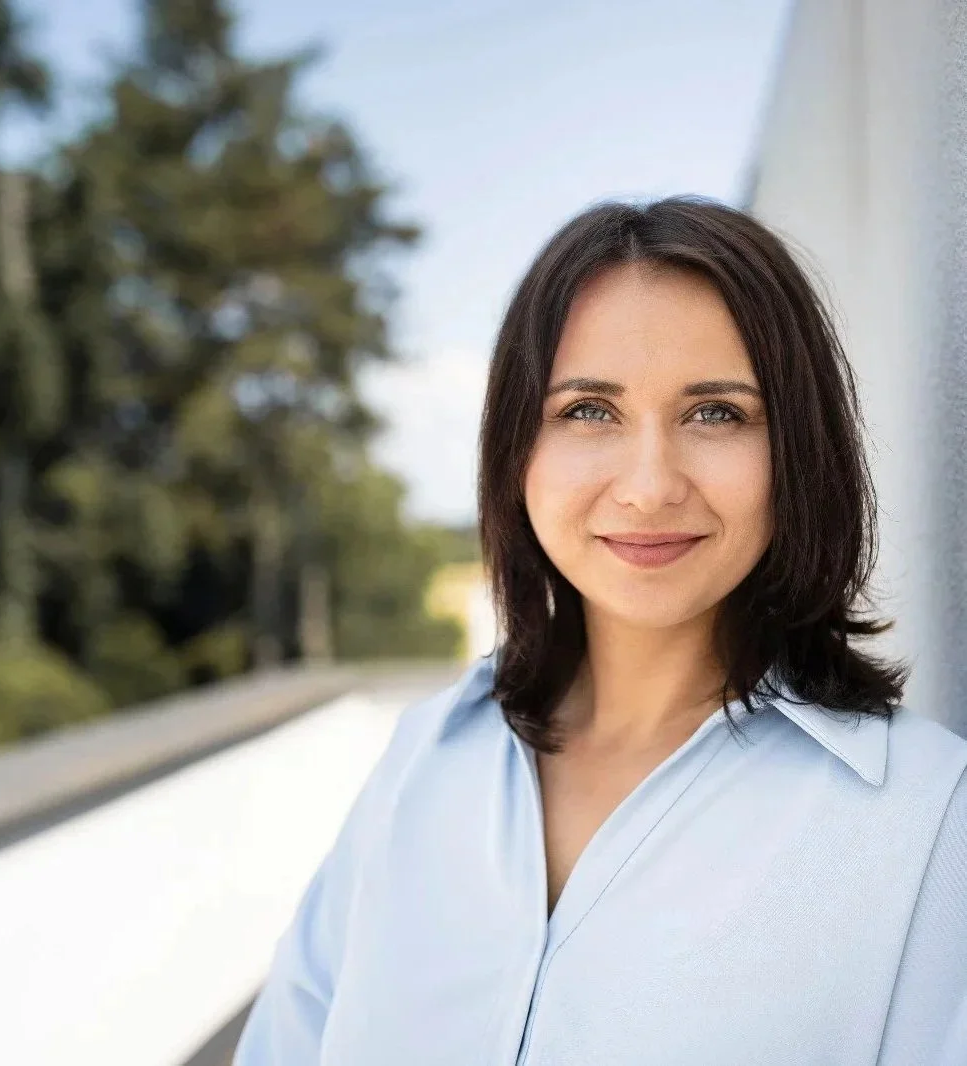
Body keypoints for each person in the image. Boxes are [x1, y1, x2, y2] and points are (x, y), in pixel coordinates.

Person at [233, 197, 967, 1065]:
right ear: (518, 449)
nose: (650, 485)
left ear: (796, 452)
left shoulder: (929, 821)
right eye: (589, 410)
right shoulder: (424, 759)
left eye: (716, 413)